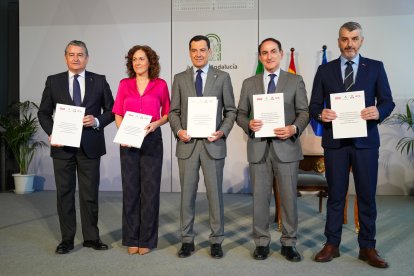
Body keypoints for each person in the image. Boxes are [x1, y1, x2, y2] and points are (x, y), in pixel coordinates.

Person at [309, 22, 395, 268]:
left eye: (354, 39)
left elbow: (387, 101)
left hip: (366, 142)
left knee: (366, 196)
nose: (349, 44)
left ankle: (367, 247)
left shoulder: (376, 68)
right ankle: (332, 244)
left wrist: (378, 111)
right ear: (339, 41)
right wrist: (320, 114)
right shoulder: (325, 70)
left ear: (361, 41)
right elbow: (314, 106)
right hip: (335, 143)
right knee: (336, 196)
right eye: (345, 39)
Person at [38, 40, 114, 254]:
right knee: (64, 194)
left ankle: (91, 238)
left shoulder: (99, 81)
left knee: (89, 194)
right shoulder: (53, 81)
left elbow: (112, 110)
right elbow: (43, 112)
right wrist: (52, 133)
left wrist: (97, 121)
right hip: (63, 148)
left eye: (80, 54)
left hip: (90, 145)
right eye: (71, 54)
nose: (76, 58)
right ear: (65, 57)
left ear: (87, 58)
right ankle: (67, 240)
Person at [236, 38, 309, 262]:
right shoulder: (249, 83)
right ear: (260, 57)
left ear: (281, 54)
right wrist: (248, 123)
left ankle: (289, 243)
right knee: (259, 198)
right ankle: (261, 242)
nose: (269, 56)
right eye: (264, 53)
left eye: (273, 52)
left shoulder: (295, 80)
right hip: (258, 148)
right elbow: (240, 113)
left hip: (286, 147)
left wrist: (293, 128)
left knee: (288, 198)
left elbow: (304, 112)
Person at [169, 35, 236, 259]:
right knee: (186, 196)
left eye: (202, 50)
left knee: (215, 195)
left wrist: (222, 131)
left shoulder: (223, 77)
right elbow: (173, 112)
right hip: (187, 145)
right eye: (194, 50)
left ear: (210, 52)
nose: (198, 54)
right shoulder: (179, 78)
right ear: (189, 52)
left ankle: (216, 240)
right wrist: (179, 131)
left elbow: (231, 111)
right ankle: (186, 240)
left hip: (212, 144)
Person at [112, 45, 170, 255]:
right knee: (130, 191)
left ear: (150, 62)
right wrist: (125, 133)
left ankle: (146, 239)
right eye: (134, 59)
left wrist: (156, 124)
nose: (137, 62)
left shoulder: (160, 85)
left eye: (142, 59)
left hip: (152, 139)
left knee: (150, 192)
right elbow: (118, 112)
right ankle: (131, 238)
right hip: (128, 142)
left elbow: (167, 112)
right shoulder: (124, 84)